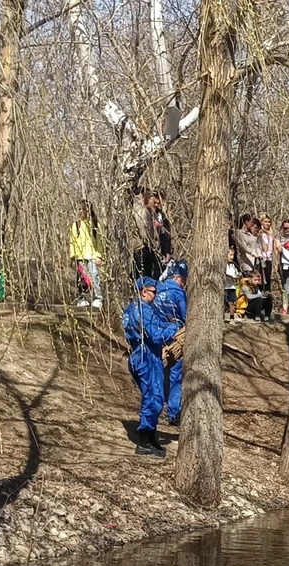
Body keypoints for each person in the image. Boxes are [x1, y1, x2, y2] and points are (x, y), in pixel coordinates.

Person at [122, 278, 180, 456]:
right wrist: (174, 328)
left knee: (155, 397)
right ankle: (144, 440)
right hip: (146, 357)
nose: (156, 295)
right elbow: (156, 335)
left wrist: (168, 325)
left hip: (140, 356)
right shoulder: (143, 310)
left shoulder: (131, 309)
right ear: (143, 291)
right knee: (153, 398)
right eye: (153, 292)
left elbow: (155, 326)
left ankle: (151, 436)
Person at [155, 261, 188, 426]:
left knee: (158, 372)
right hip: (174, 338)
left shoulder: (157, 289)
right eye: (184, 280)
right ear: (179, 278)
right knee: (175, 375)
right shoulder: (179, 294)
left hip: (155, 336)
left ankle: (158, 408)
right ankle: (173, 413)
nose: (184, 283)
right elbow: (185, 317)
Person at [69, 200, 104, 308]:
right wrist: (73, 256)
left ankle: (98, 298)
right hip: (80, 257)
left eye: (84, 209)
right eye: (80, 209)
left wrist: (99, 255)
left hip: (92, 255)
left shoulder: (94, 224)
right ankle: (81, 298)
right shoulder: (76, 225)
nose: (82, 211)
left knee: (94, 277)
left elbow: (99, 241)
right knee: (81, 278)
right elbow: (72, 241)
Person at [133, 190, 171, 281]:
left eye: (159, 203)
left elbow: (164, 233)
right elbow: (144, 230)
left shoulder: (156, 212)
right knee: (144, 278)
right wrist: (153, 246)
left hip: (151, 249)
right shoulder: (142, 211)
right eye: (155, 202)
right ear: (149, 198)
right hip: (142, 248)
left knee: (151, 276)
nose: (157, 205)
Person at [260, 216, 276, 289]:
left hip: (269, 258)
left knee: (268, 278)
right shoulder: (260, 233)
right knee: (261, 279)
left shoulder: (271, 234)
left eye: (269, 222)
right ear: (262, 222)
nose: (267, 223)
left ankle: (268, 296)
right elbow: (264, 248)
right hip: (261, 258)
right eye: (265, 221)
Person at [225, 248, 241, 318]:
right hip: (225, 287)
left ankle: (232, 317)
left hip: (232, 287)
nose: (232, 257)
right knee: (224, 303)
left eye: (233, 255)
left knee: (232, 303)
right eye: (230, 255)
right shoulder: (223, 265)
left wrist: (237, 276)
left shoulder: (233, 266)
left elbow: (236, 274)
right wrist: (230, 277)